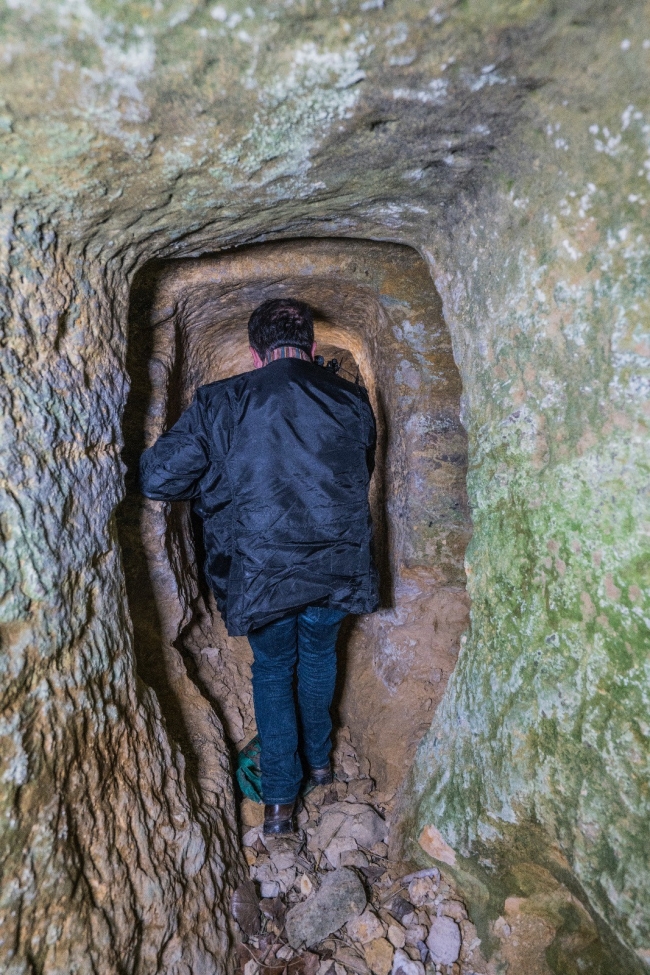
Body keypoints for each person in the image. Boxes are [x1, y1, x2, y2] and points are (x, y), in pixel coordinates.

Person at [139, 298, 379, 835]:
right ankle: (320, 764)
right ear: (310, 347)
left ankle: (279, 804)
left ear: (254, 353)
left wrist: (217, 475)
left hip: (261, 571)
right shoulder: (351, 398)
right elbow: (359, 469)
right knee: (318, 657)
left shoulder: (221, 401)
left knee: (273, 670)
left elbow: (159, 479)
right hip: (336, 564)